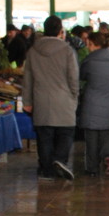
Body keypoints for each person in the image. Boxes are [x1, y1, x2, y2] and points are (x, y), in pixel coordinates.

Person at [22, 15, 79, 181]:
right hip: (64, 99)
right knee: (66, 132)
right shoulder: (68, 50)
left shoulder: (33, 51)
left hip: (41, 99)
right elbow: (73, 77)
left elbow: (28, 78)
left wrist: (27, 101)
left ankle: (46, 169)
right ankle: (60, 160)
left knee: (44, 135)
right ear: (60, 31)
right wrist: (74, 96)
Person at [79, 31, 109, 177]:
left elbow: (82, 76)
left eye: (89, 44)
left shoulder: (89, 60)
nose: (88, 47)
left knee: (91, 136)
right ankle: (108, 156)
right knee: (105, 133)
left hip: (92, 100)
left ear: (93, 44)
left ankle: (92, 168)